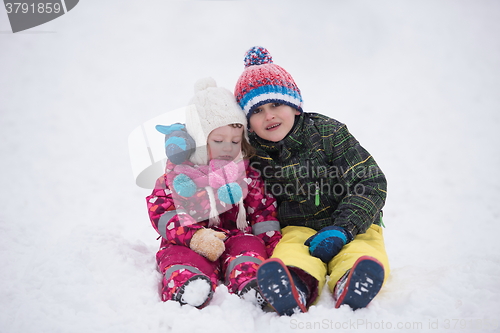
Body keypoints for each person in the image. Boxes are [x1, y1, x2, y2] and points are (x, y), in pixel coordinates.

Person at [233, 46, 390, 315]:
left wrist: (344, 227)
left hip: (354, 223)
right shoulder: (252, 153)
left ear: (294, 106)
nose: (269, 115)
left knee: (361, 248)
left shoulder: (328, 133)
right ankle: (295, 285)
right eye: (257, 111)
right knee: (291, 252)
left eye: (276, 104)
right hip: (297, 228)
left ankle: (352, 279)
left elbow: (370, 181)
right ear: (248, 122)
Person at [146, 77, 281, 309]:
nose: (228, 147)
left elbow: (262, 211)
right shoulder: (178, 173)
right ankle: (187, 283)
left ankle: (251, 282)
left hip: (234, 234)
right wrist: (194, 237)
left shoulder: (245, 171)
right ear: (198, 139)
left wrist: (274, 248)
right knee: (178, 254)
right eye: (218, 140)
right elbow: (162, 212)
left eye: (235, 141)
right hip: (189, 238)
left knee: (249, 247)